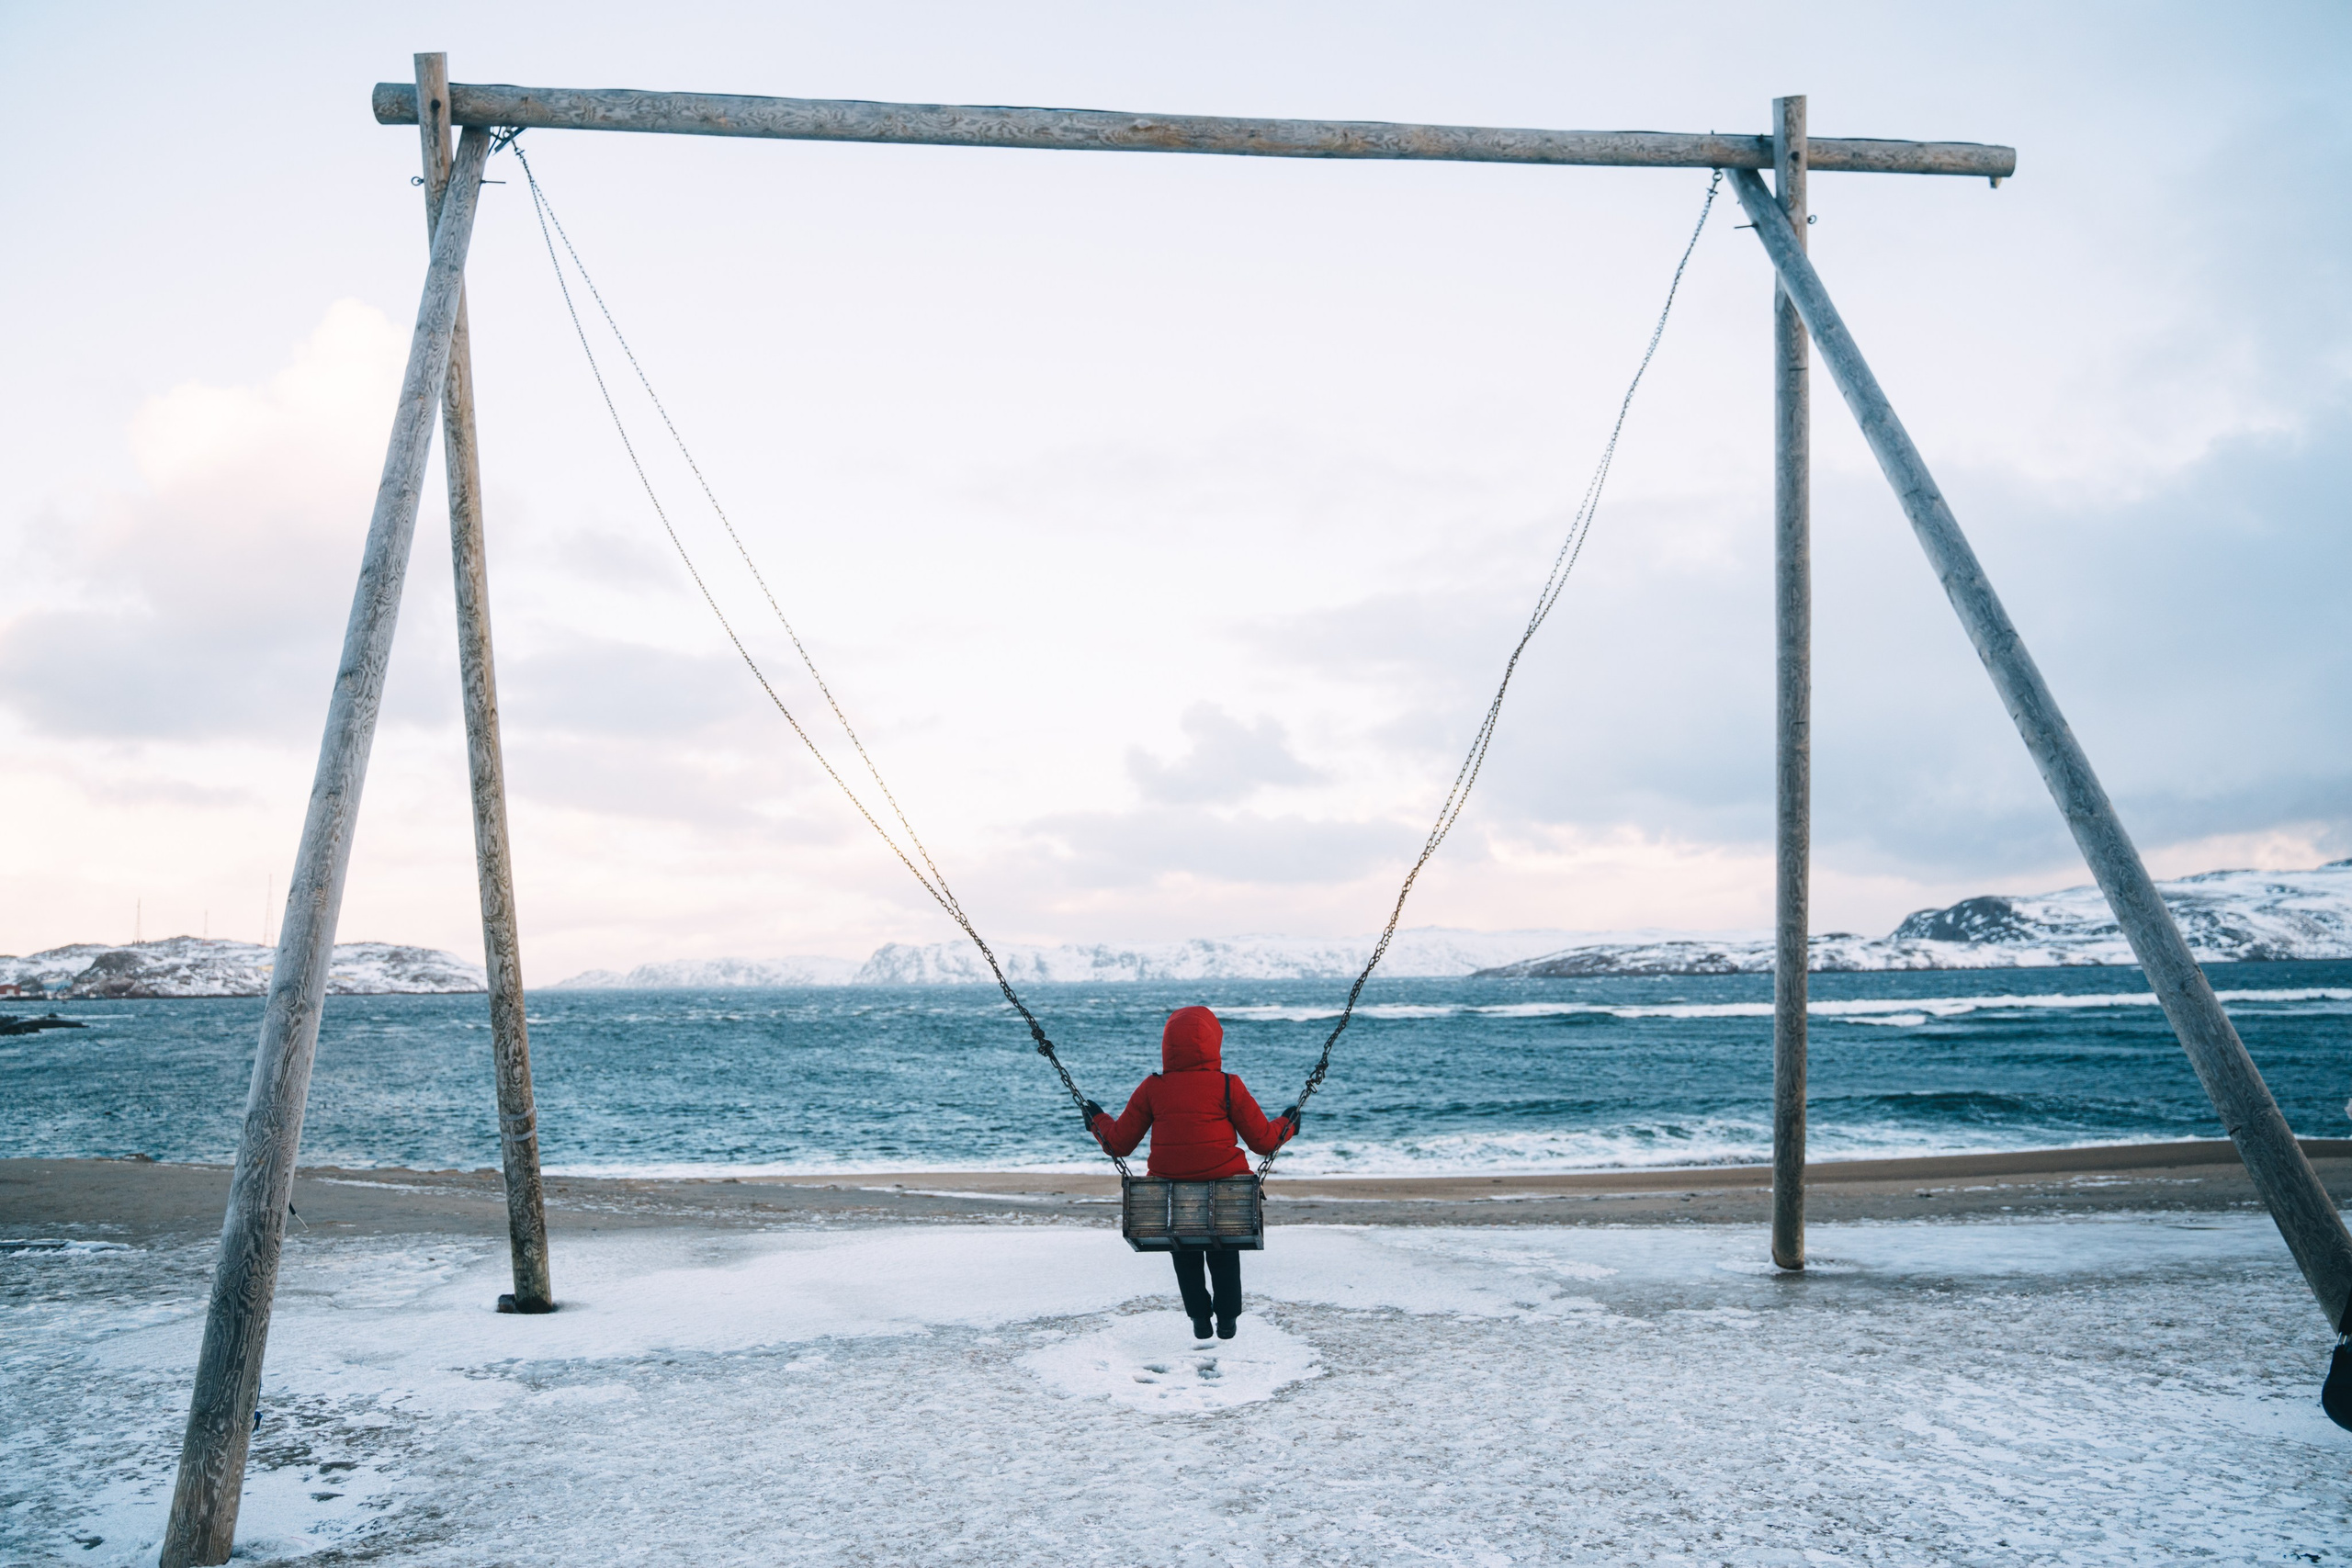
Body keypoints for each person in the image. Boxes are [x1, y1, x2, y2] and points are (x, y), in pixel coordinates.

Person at [1084, 1005, 1299, 1342]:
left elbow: (1119, 1144)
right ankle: (1227, 1319)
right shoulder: (1228, 1086)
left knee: (1183, 1244)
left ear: (1167, 1045)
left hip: (1170, 1190)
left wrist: (1097, 1119)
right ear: (1214, 1042)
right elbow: (1264, 1142)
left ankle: (1199, 1317)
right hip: (1226, 1188)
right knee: (1224, 1245)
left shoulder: (1153, 1087)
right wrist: (1289, 1123)